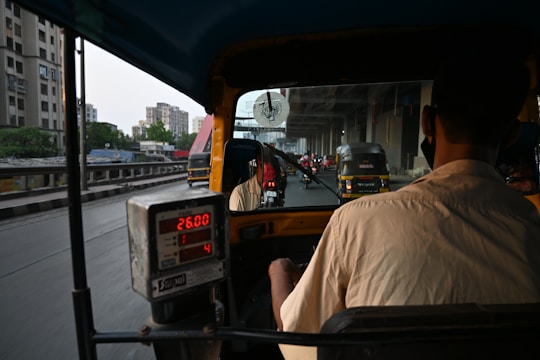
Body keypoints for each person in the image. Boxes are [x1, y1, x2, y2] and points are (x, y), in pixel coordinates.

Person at [268, 43, 540, 359]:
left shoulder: (356, 220)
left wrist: (278, 272)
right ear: (511, 135)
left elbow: (296, 340)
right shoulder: (530, 226)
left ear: (426, 123)